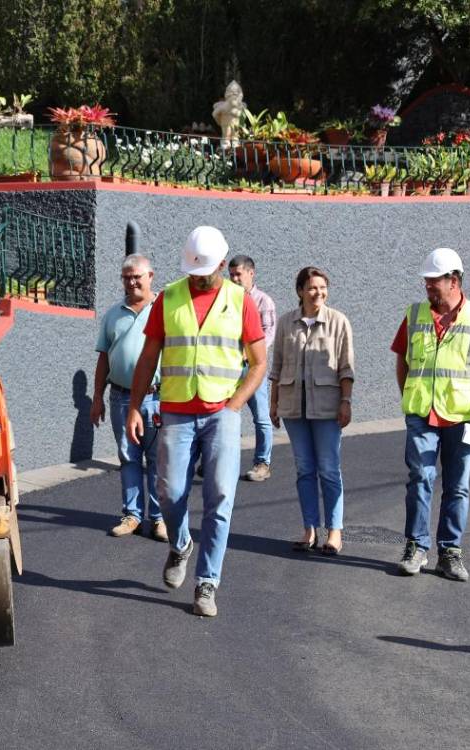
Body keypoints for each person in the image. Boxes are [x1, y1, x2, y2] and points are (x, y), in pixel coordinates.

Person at [126, 226, 268, 617]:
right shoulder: (169, 297)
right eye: (194, 269)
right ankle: (181, 544)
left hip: (221, 412)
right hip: (176, 410)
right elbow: (148, 357)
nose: (199, 276)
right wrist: (134, 406)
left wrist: (236, 404)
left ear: (223, 264)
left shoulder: (240, 301)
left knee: (220, 497)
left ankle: (207, 583)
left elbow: (258, 363)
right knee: (170, 494)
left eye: (206, 269)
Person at [392, 248, 470, 581]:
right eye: (426, 282)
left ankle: (450, 552)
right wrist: (410, 395)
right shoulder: (415, 314)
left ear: (453, 280)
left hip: (463, 417)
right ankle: (416, 547)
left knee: (457, 487)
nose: (428, 288)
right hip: (421, 414)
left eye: (434, 282)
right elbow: (402, 358)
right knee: (420, 479)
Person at [268, 267, 355, 556]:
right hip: (294, 409)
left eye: (323, 287)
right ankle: (309, 531)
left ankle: (334, 532)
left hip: (328, 409)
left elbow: (346, 367)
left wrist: (346, 401)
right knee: (304, 469)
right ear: (300, 291)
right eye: (312, 288)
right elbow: (277, 367)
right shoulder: (286, 323)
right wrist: (274, 403)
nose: (318, 293)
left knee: (329, 469)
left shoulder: (338, 322)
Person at [90, 254, 165, 541]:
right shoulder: (113, 314)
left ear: (150, 277)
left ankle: (158, 519)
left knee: (158, 460)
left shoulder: (163, 310)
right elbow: (103, 359)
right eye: (126, 277)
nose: (132, 282)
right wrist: (97, 396)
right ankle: (132, 515)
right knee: (128, 457)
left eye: (137, 276)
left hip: (156, 399)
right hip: (121, 398)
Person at [228, 255, 277, 482]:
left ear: (251, 273)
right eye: (231, 275)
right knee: (226, 414)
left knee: (261, 417)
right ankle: (223, 460)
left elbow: (268, 336)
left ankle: (262, 463)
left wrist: (249, 354)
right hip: (230, 369)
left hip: (253, 368)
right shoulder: (227, 300)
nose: (235, 279)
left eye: (239, 274)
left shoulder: (263, 301)